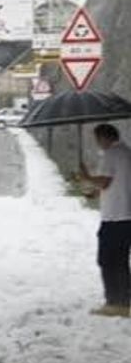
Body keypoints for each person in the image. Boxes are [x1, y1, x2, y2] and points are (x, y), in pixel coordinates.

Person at [78, 123, 131, 317]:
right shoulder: (126, 152)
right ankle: (125, 302)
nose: (97, 143)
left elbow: (105, 181)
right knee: (121, 261)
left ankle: (114, 302)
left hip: (114, 217)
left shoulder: (111, 154)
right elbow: (114, 183)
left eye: (97, 139)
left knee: (107, 260)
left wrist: (86, 177)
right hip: (127, 215)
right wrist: (94, 192)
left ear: (104, 137)